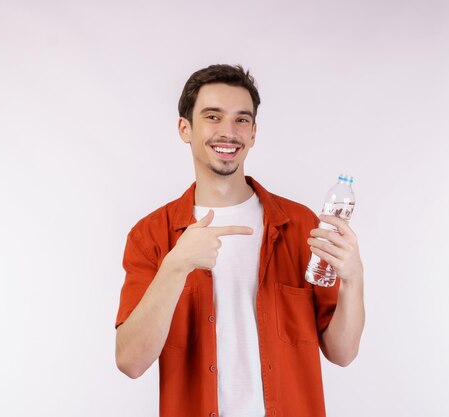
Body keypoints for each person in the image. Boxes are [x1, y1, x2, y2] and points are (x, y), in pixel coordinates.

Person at [114, 64, 365, 417]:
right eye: (213, 117)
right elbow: (130, 362)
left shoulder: (299, 225)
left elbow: (343, 352)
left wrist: (353, 279)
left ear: (254, 133)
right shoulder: (151, 235)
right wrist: (175, 267)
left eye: (242, 120)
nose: (228, 132)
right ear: (185, 128)